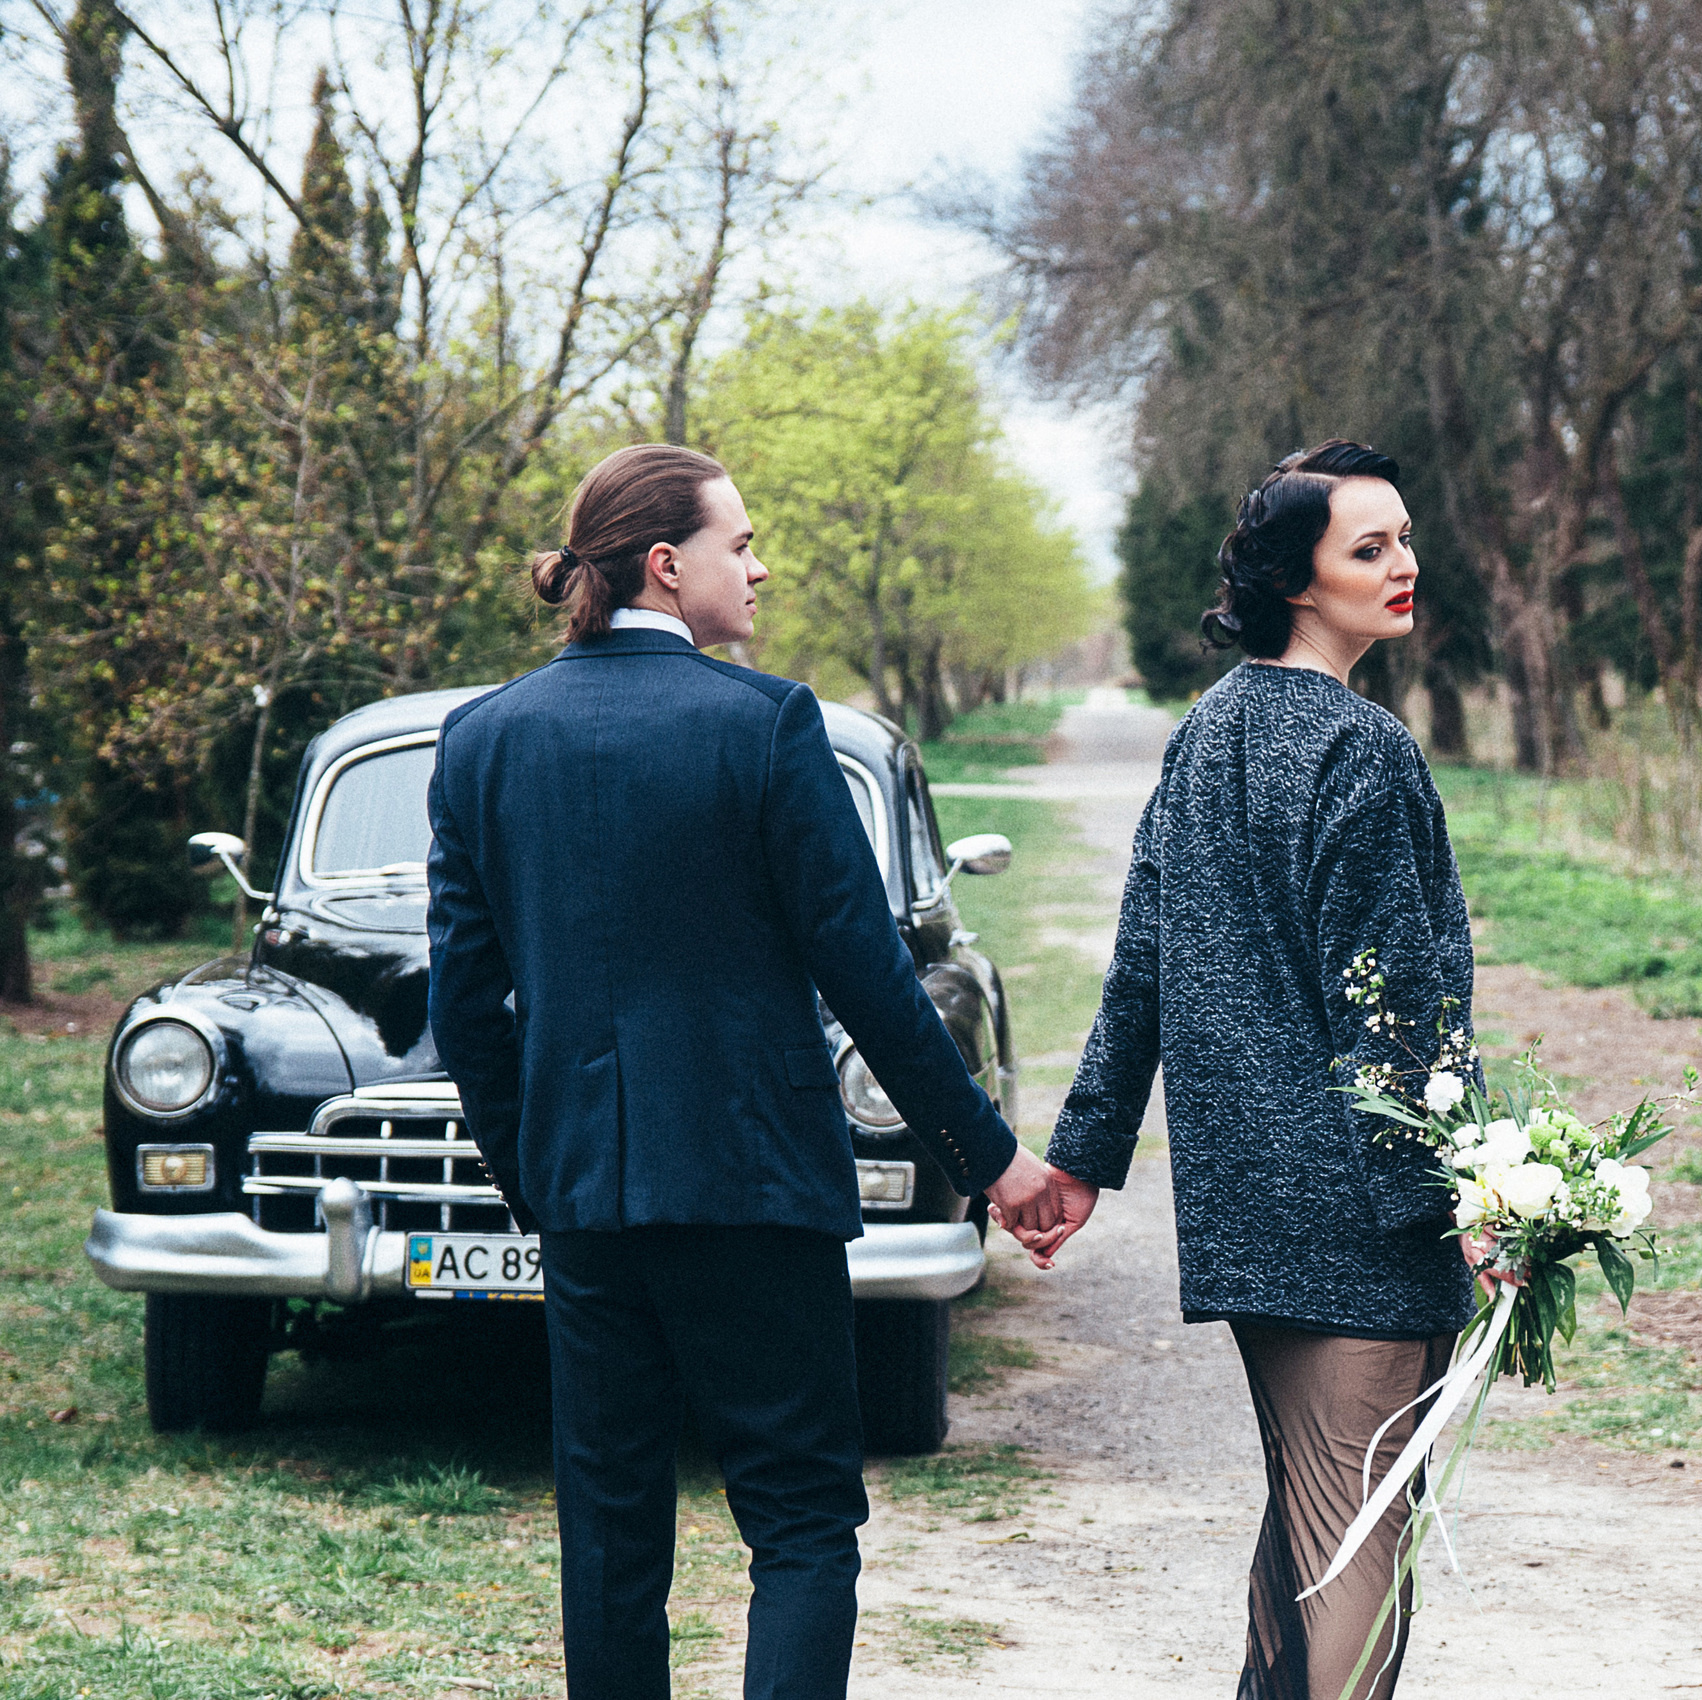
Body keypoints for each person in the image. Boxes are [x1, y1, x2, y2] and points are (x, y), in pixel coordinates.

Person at [424, 443, 1062, 1700]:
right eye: (741, 543)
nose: (758, 568)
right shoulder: (768, 725)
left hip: (589, 1201)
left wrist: (538, 1175)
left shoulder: (482, 738)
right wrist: (995, 1161)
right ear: (667, 565)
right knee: (802, 1520)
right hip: (755, 1192)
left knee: (608, 1533)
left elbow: (466, 1005)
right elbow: (871, 978)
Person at [1035, 440, 1479, 1700]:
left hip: (1243, 1204)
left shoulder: (1205, 731)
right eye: (1368, 548)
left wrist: (1082, 1152)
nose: (1403, 566)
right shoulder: (1362, 748)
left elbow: (1140, 965)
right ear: (1298, 580)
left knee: (1308, 1511)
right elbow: (1395, 1015)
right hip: (1358, 1214)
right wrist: (1470, 1202)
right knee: (1359, 1530)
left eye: (1402, 538)